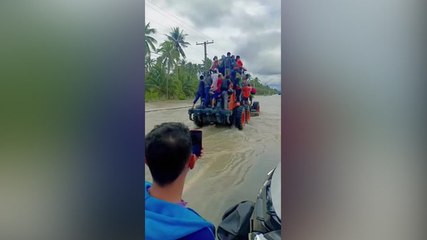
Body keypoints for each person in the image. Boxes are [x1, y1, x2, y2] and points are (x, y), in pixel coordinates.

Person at [145, 122, 215, 240]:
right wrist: (189, 161)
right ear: (192, 161)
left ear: (145, 160)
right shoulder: (198, 232)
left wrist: (190, 160)